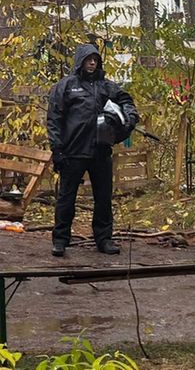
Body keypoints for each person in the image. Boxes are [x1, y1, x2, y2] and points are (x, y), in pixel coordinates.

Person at [47, 43, 138, 257]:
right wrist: (57, 150)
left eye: (95, 59)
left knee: (103, 198)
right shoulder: (66, 86)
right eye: (88, 59)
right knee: (66, 198)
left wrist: (126, 121)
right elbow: (54, 119)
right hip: (73, 151)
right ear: (80, 61)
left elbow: (127, 103)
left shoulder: (107, 87)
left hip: (100, 151)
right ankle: (60, 239)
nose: (92, 63)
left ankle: (104, 239)